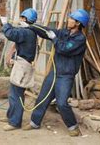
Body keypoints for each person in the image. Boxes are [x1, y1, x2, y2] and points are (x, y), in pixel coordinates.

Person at [23, 9, 90, 137]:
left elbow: (64, 49)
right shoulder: (64, 32)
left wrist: (54, 39)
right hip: (54, 72)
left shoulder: (80, 39)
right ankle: (34, 122)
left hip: (65, 75)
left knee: (62, 103)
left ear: (78, 23)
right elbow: (48, 32)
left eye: (71, 19)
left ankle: (73, 126)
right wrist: (31, 26)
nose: (68, 20)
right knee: (43, 97)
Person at [0, 8, 38, 131]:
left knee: (16, 95)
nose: (19, 19)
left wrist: (5, 23)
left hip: (22, 66)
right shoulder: (29, 31)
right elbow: (13, 31)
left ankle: (14, 122)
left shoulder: (26, 32)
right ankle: (11, 117)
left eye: (21, 17)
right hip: (22, 64)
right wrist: (1, 21)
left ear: (25, 19)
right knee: (14, 93)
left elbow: (11, 34)